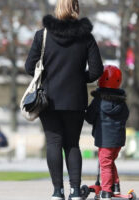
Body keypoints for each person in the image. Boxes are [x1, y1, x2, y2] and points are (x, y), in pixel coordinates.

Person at [25, 0, 104, 199]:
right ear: (76, 9)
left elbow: (29, 67)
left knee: (53, 143)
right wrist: (78, 78)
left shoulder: (42, 36)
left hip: (48, 99)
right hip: (75, 99)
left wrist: (48, 77)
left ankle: (57, 191)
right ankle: (76, 191)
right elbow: (96, 71)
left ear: (57, 9)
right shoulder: (86, 37)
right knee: (72, 144)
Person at [85, 65, 130, 200]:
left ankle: (106, 191)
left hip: (105, 140)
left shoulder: (98, 100)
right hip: (118, 140)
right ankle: (115, 185)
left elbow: (89, 117)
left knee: (105, 164)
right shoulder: (122, 102)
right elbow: (126, 116)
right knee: (110, 162)